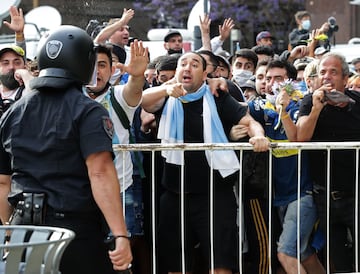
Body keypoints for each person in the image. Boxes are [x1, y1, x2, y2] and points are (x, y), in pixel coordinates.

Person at [0, 25, 132, 274]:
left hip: (24, 230)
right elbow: (100, 173)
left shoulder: (13, 112)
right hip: (74, 232)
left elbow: (2, 182)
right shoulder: (88, 110)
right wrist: (120, 234)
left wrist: (11, 230)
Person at [141, 51, 270, 274]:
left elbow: (250, 122)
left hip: (215, 194)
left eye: (194, 64)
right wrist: (165, 89)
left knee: (220, 265)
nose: (187, 68)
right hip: (174, 193)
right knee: (176, 266)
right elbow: (142, 101)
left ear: (205, 75)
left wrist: (258, 136)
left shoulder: (218, 96)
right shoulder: (166, 96)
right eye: (183, 64)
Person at [242, 59, 325, 274]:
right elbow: (244, 119)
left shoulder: (301, 103)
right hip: (278, 195)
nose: (271, 83)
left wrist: (284, 111)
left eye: (278, 78)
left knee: (286, 253)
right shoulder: (260, 105)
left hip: (302, 193)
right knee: (304, 253)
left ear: (290, 81)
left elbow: (296, 137)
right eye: (268, 79)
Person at [84, 42, 150, 274]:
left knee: (120, 258)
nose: (96, 71)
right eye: (91, 65)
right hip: (80, 192)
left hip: (120, 189)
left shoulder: (118, 97)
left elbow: (133, 91)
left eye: (102, 65)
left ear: (112, 70)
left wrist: (138, 76)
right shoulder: (70, 100)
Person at [297, 52, 360, 272]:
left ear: (345, 79)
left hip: (357, 194)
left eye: (333, 72)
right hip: (326, 196)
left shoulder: (357, 102)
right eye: (322, 72)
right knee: (339, 260)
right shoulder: (309, 101)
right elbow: (301, 136)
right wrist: (316, 108)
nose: (326, 77)